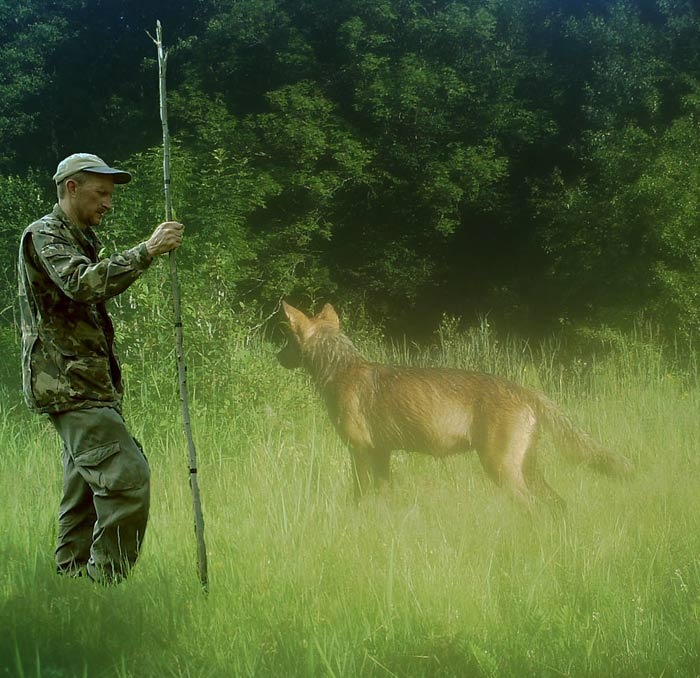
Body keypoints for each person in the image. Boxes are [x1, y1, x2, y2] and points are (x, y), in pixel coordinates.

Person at [18, 153, 184, 584]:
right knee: (127, 478)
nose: (108, 203)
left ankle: (72, 592)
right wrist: (146, 251)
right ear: (71, 188)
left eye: (110, 195)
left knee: (84, 495)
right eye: (101, 193)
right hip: (70, 386)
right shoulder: (45, 234)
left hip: (85, 383)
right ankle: (105, 585)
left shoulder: (76, 236)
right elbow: (82, 283)